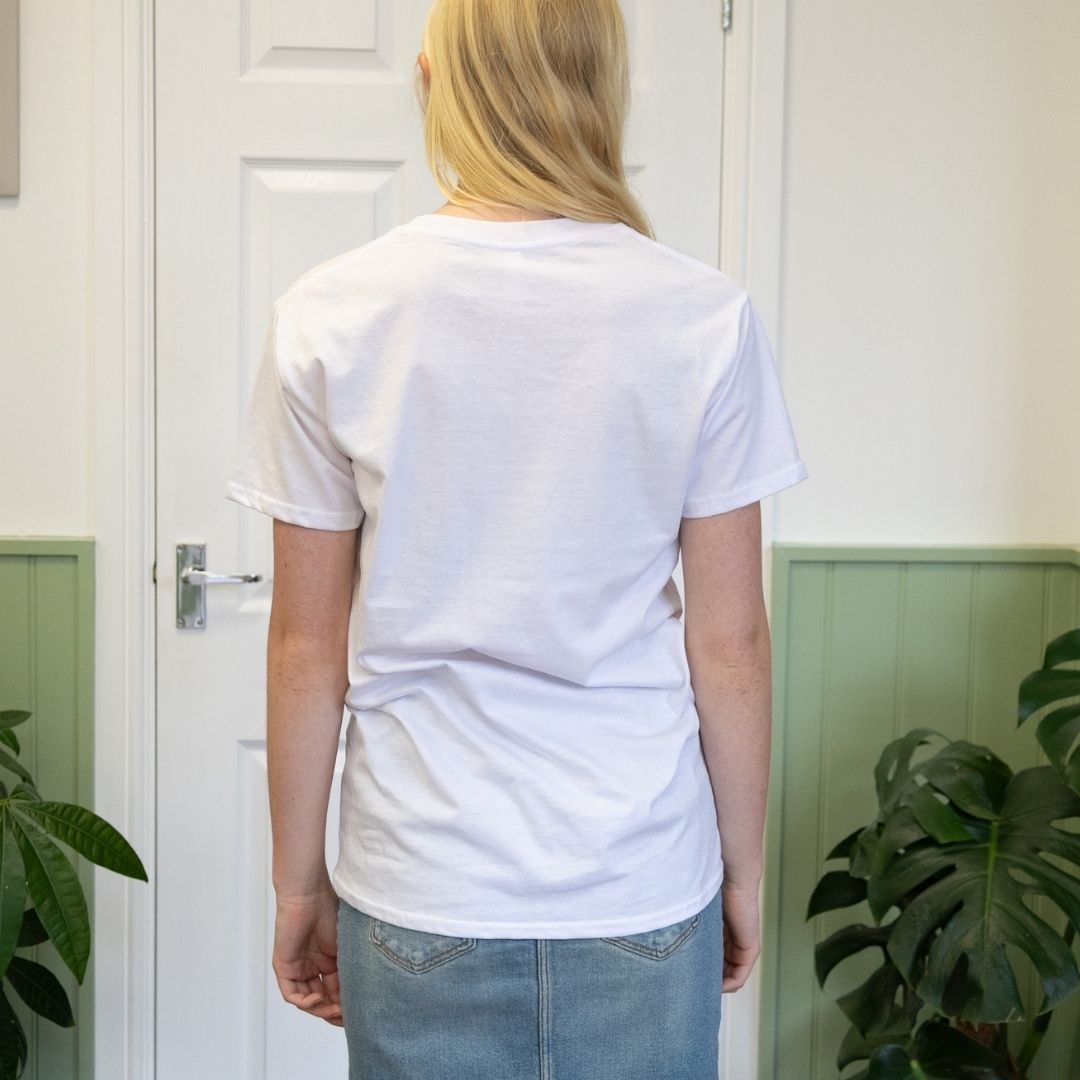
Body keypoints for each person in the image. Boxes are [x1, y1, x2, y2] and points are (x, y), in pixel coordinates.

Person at [224, 0, 808, 1076]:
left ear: (434, 80)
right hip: (637, 880)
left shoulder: (332, 315)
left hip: (418, 885)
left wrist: (298, 886)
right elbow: (730, 644)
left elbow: (306, 648)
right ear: (601, 86)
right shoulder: (701, 319)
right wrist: (742, 876)